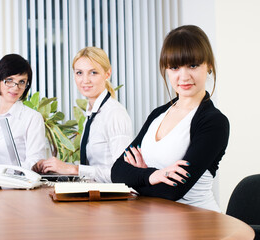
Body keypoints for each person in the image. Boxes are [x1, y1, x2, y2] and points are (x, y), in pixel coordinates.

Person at [111, 25, 230, 212]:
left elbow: (173, 190)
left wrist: (138, 178)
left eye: (193, 65)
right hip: (157, 219)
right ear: (166, 70)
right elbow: (117, 171)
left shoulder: (213, 122)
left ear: (208, 66)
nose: (184, 76)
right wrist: (152, 176)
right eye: (174, 67)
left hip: (200, 223)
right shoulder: (158, 114)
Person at [33, 47, 133, 182]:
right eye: (79, 73)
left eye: (93, 72)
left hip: (111, 200)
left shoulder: (114, 114)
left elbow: (124, 174)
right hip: (93, 195)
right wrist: (57, 167)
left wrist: (74, 169)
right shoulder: (92, 114)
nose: (85, 80)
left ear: (107, 74)